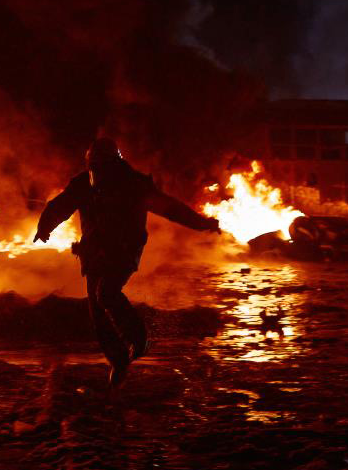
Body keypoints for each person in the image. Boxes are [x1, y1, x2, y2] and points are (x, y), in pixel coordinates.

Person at [34, 138, 221, 386]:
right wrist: (45, 226)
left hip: (124, 250)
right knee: (98, 313)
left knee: (106, 293)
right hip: (94, 252)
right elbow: (61, 205)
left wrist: (202, 223)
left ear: (114, 164)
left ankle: (139, 339)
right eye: (95, 167)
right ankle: (119, 361)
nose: (99, 173)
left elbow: (170, 208)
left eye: (103, 166)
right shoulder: (83, 184)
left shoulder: (134, 184)